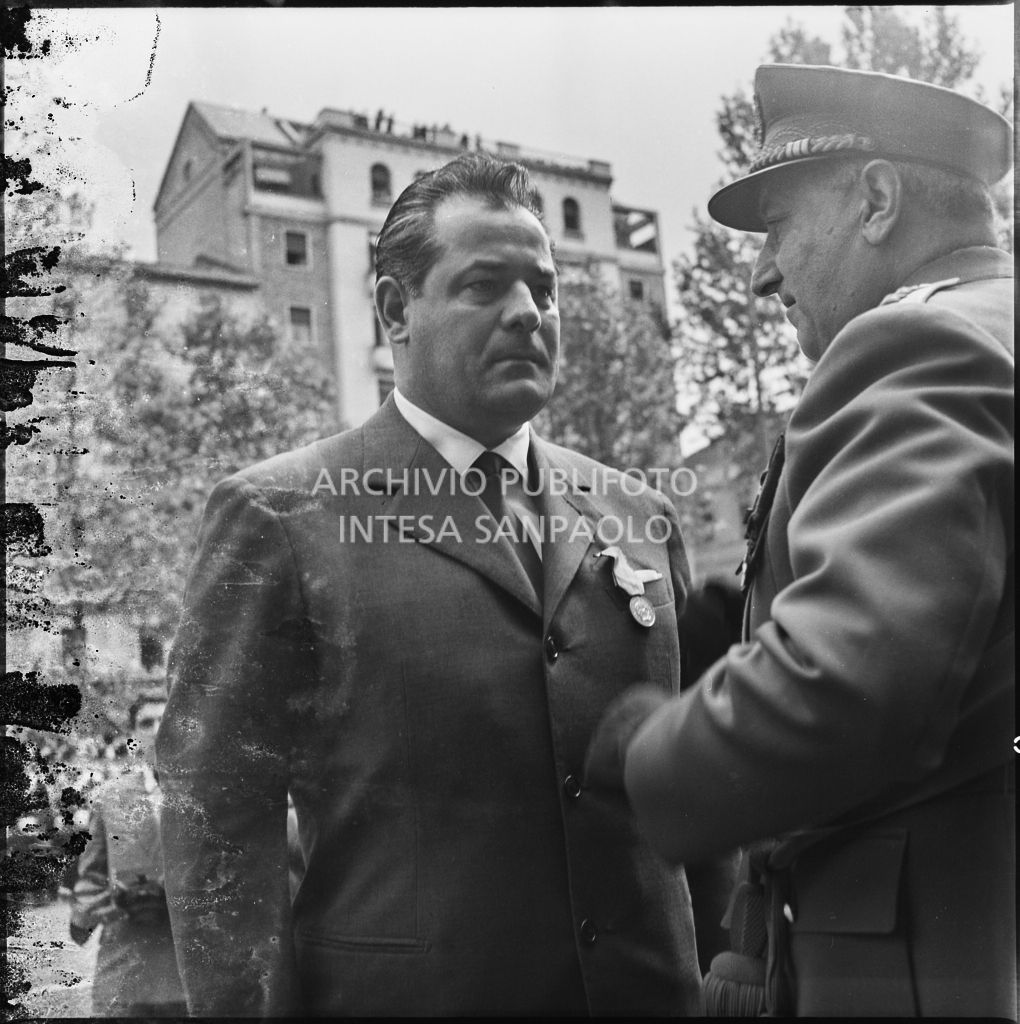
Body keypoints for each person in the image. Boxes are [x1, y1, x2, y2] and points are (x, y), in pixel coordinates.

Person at [157, 152, 731, 1017]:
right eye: (485, 285)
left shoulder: (639, 510)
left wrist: (731, 960)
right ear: (396, 310)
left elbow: (701, 775)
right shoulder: (279, 515)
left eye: (545, 287)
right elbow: (218, 826)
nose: (529, 314)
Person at [585, 64, 1014, 1017]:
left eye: (778, 226)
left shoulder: (911, 345)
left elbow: (849, 680)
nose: (764, 269)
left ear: (876, 198)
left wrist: (645, 753)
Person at [70, 693, 186, 1018]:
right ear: (133, 738)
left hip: (191, 970)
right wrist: (95, 909)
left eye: (166, 719)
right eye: (147, 722)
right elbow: (91, 875)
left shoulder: (208, 797)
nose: (158, 729)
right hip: (127, 968)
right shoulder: (110, 797)